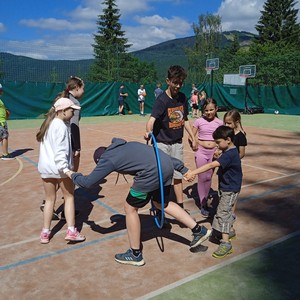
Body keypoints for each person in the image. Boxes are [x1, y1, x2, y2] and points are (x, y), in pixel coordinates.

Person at [65, 138, 211, 266]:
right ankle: (199, 230)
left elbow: (88, 182)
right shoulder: (127, 145)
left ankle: (135, 254)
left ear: (99, 160)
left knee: (130, 208)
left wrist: (71, 174)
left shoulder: (107, 159)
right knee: (162, 204)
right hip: (166, 167)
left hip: (150, 173)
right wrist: (182, 169)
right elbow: (158, 155)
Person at [145, 65, 197, 212]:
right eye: (175, 82)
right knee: (162, 177)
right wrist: (148, 131)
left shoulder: (182, 98)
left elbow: (185, 119)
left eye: (180, 83)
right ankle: (158, 206)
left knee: (178, 175)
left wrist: (193, 137)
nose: (178, 86)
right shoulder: (161, 100)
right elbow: (151, 120)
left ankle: (180, 207)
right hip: (162, 144)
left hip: (177, 143)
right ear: (168, 81)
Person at [185, 125, 242, 258]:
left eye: (218, 142)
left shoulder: (230, 154)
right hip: (225, 187)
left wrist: (193, 172)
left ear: (228, 140)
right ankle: (227, 231)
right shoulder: (228, 151)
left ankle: (226, 243)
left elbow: (211, 165)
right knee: (221, 211)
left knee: (223, 213)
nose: (216, 145)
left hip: (230, 189)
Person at [36, 97, 86, 244]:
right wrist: (66, 170)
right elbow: (60, 151)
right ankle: (71, 231)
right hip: (60, 169)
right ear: (63, 111)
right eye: (71, 110)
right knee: (69, 197)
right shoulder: (62, 127)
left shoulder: (48, 124)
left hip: (46, 169)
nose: (73, 113)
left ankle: (45, 232)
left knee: (50, 199)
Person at [40, 77, 84, 219]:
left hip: (56, 147)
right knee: (67, 178)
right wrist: (76, 148)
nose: (83, 91)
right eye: (83, 88)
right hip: (67, 145)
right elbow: (74, 127)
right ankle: (67, 212)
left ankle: (47, 203)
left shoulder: (60, 99)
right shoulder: (73, 103)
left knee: (58, 176)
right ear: (76, 88)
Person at [191, 98, 223, 218]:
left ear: (216, 109)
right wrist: (193, 144)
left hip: (214, 153)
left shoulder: (220, 123)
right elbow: (191, 137)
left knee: (209, 177)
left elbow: (223, 139)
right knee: (202, 177)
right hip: (201, 152)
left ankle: (205, 197)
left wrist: (219, 150)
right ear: (203, 110)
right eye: (206, 110)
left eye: (211, 110)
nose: (209, 112)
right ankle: (203, 204)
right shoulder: (199, 121)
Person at [0, 84, 15, 160]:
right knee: (5, 137)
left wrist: (6, 112)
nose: (2, 91)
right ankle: (5, 155)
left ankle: (5, 153)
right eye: (1, 89)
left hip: (2, 120)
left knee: (1, 138)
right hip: (1, 121)